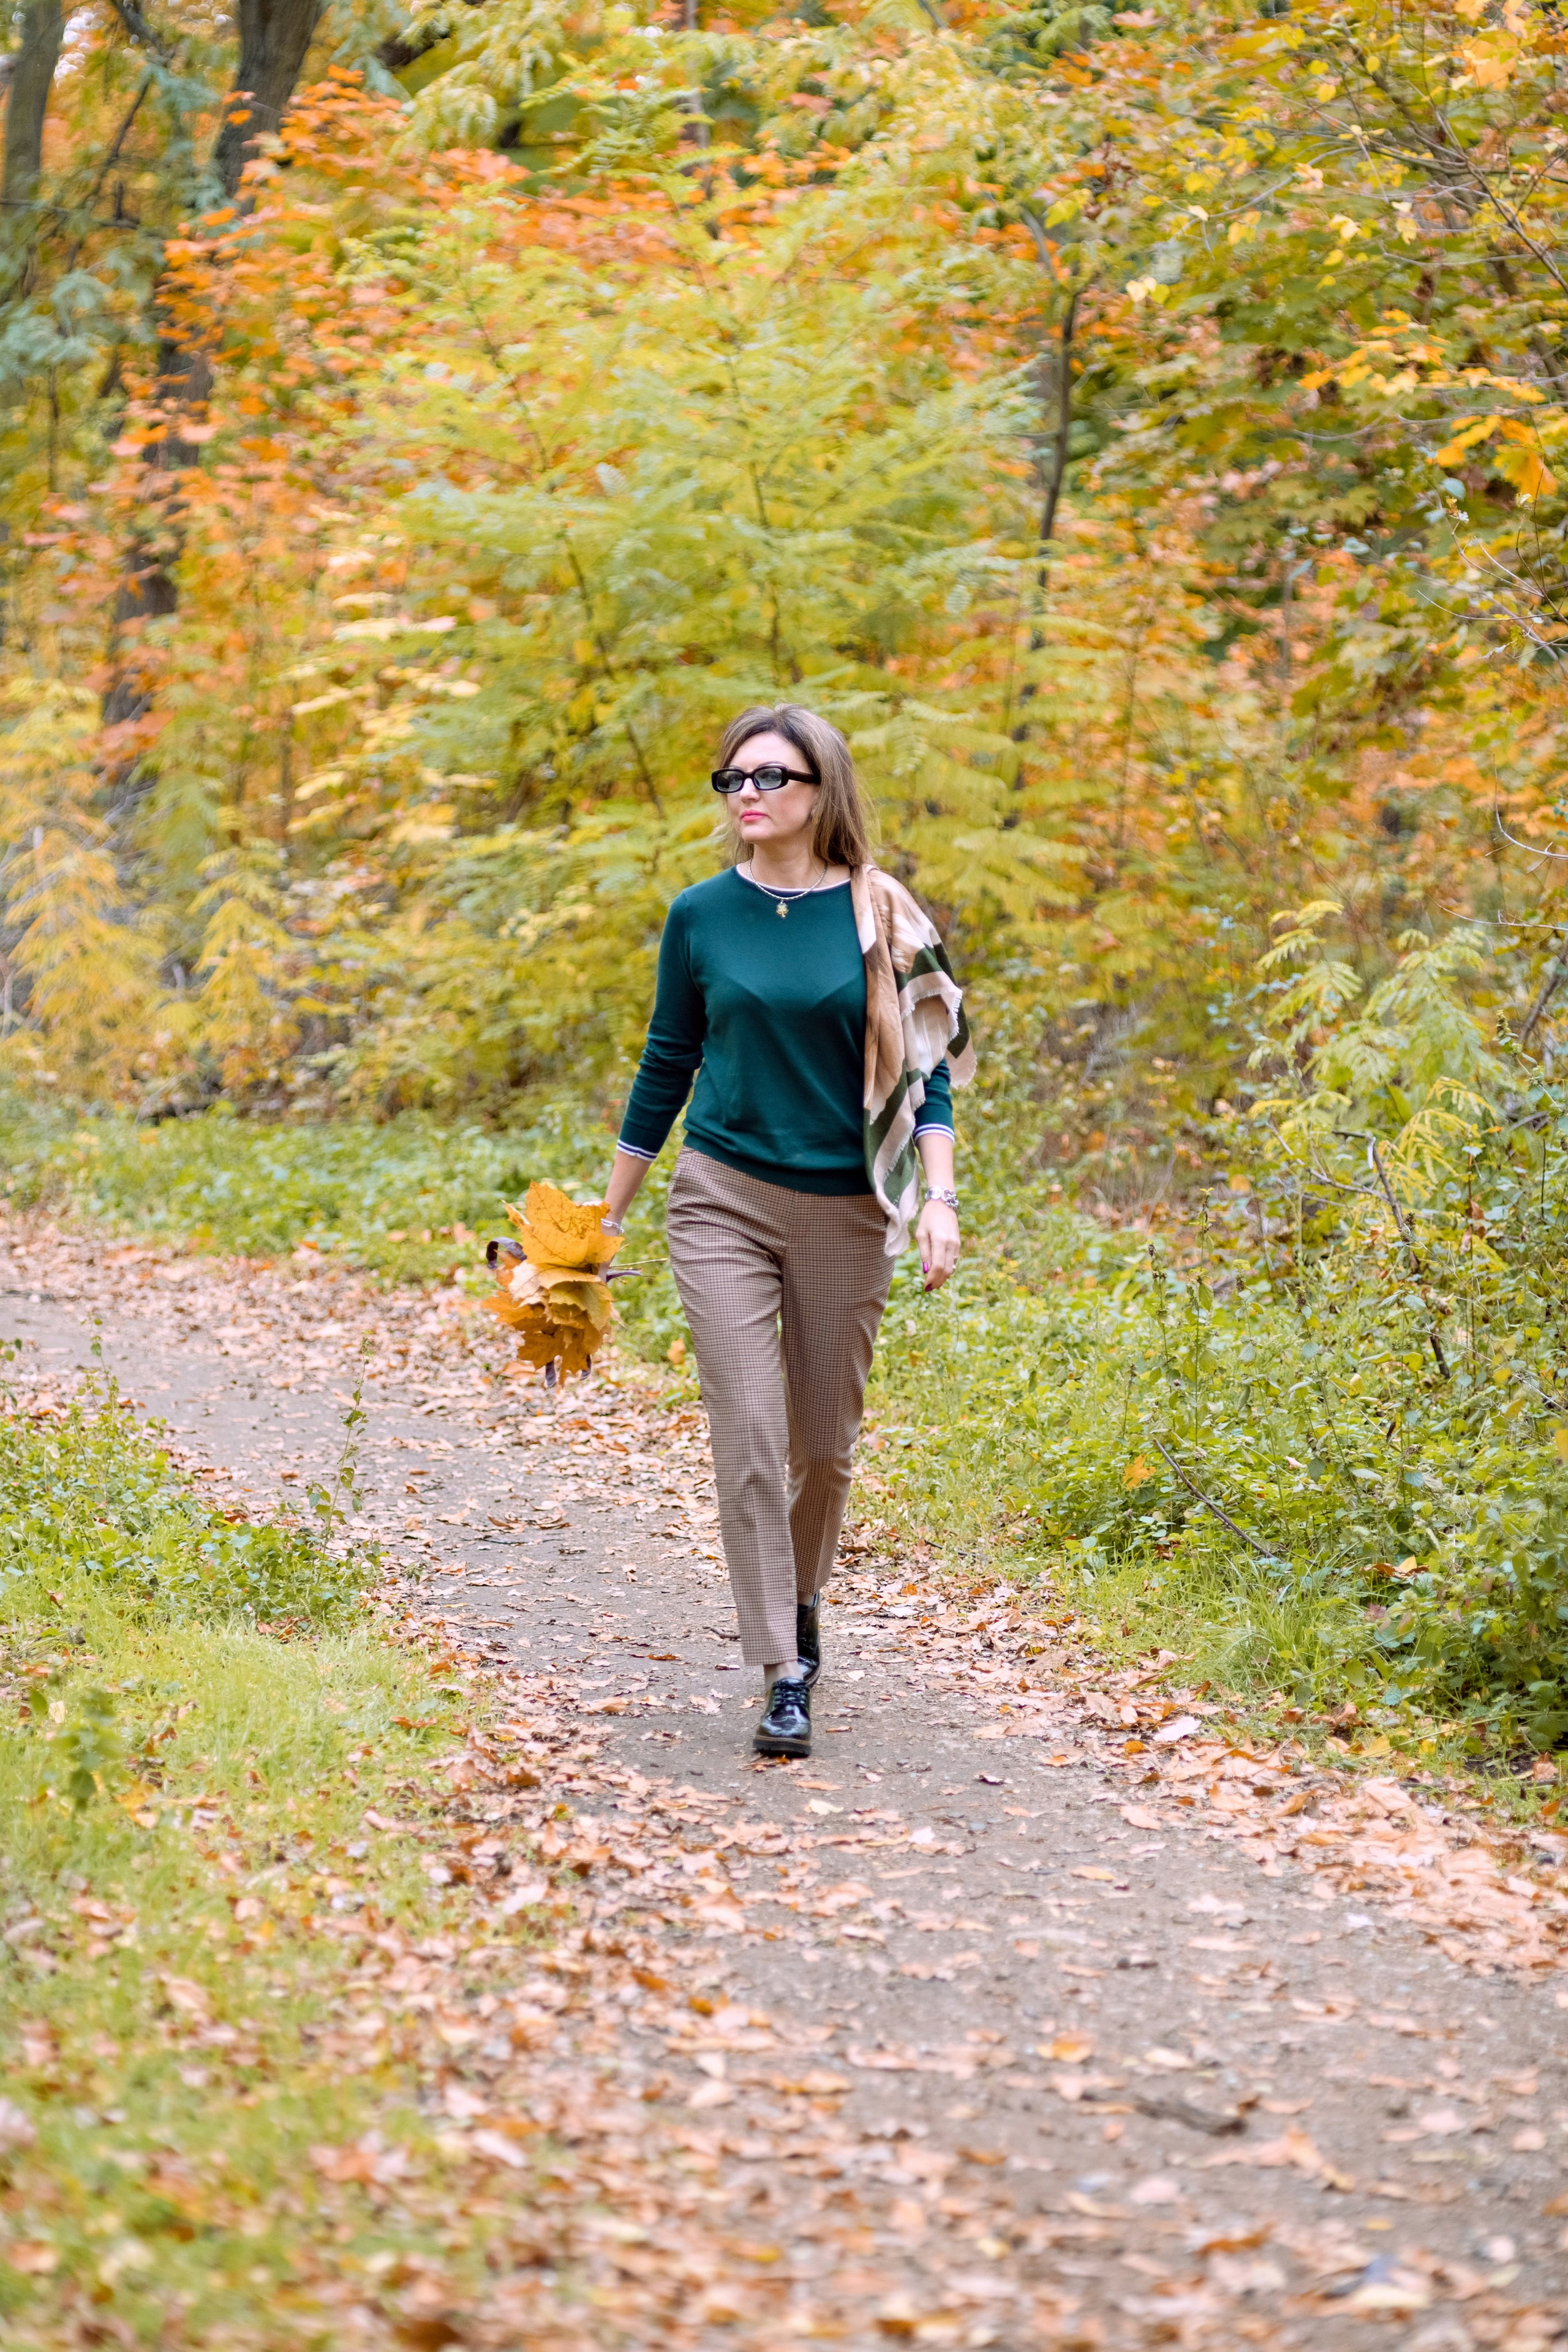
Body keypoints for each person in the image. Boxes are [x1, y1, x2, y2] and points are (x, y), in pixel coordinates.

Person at [599, 706, 973, 1758]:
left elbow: (924, 1075)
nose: (748, 793)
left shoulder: (880, 916)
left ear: (822, 789)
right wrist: (610, 1214)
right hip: (721, 1196)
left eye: (772, 775)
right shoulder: (699, 916)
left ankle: (803, 1603)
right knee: (751, 1437)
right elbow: (665, 1063)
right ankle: (782, 1667)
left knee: (823, 1446)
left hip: (844, 1210)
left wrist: (938, 1198)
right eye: (732, 779)